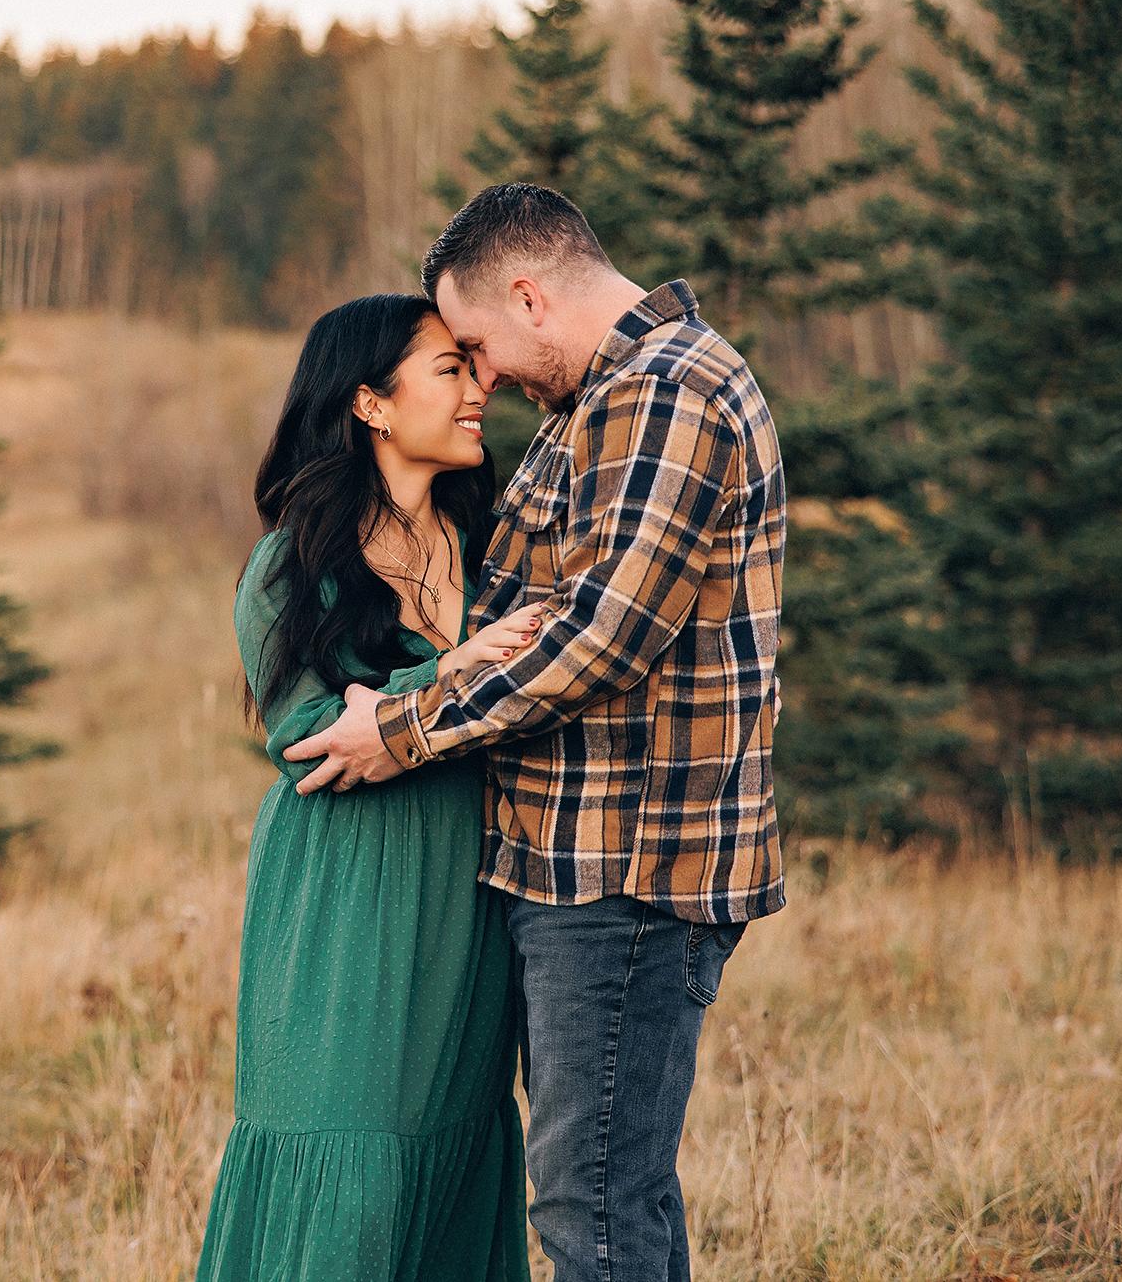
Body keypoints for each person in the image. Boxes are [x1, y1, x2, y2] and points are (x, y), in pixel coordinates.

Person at [286, 183, 787, 1282]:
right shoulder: (593, 408)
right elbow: (519, 614)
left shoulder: (667, 396)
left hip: (625, 872)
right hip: (573, 868)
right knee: (610, 1193)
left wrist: (404, 728)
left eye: (475, 343)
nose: (484, 376)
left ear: (527, 294)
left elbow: (600, 636)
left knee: (589, 1207)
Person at [197, 293, 545, 1281]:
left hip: (467, 900)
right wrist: (448, 671)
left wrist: (447, 679)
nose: (479, 388)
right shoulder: (288, 564)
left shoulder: (493, 554)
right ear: (371, 404)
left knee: (451, 1147)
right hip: (344, 900)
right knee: (345, 1162)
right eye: (448, 368)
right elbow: (311, 741)